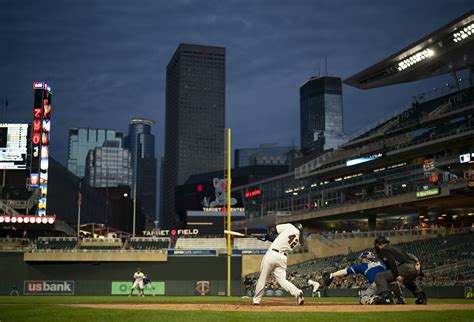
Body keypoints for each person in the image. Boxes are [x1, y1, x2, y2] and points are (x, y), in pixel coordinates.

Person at [323, 251, 404, 305]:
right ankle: (400, 299)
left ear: (365, 258)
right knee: (394, 283)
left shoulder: (362, 265)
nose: (361, 260)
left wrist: (333, 274)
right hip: (390, 283)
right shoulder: (381, 263)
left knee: (362, 298)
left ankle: (375, 299)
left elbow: (345, 271)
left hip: (377, 284)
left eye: (362, 258)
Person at [253, 223, 305, 305]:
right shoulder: (298, 240)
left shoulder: (290, 227)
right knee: (282, 280)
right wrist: (267, 238)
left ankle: (256, 300)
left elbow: (274, 229)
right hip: (283, 258)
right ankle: (297, 292)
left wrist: (267, 236)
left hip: (272, 254)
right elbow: (281, 241)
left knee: (263, 277)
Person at [373, 236, 426, 304]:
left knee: (380, 276)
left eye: (377, 244)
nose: (376, 246)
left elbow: (392, 261)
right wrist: (420, 271)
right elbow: (411, 256)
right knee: (407, 281)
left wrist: (397, 275)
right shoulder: (394, 248)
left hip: (406, 267)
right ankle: (421, 297)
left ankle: (386, 297)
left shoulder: (384, 250)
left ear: (380, 244)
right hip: (415, 267)